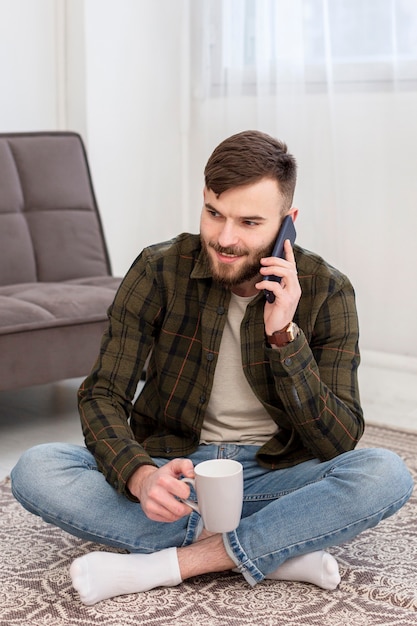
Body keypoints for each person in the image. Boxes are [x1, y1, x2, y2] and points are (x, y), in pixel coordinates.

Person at [11, 130, 413, 606]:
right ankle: (276, 549)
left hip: (273, 475)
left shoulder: (328, 290)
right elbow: (102, 394)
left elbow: (339, 440)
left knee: (385, 473)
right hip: (175, 467)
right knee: (37, 468)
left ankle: (174, 563)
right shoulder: (158, 269)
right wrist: (140, 476)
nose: (224, 238)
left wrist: (285, 337)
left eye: (248, 222)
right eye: (214, 214)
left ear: (288, 222)